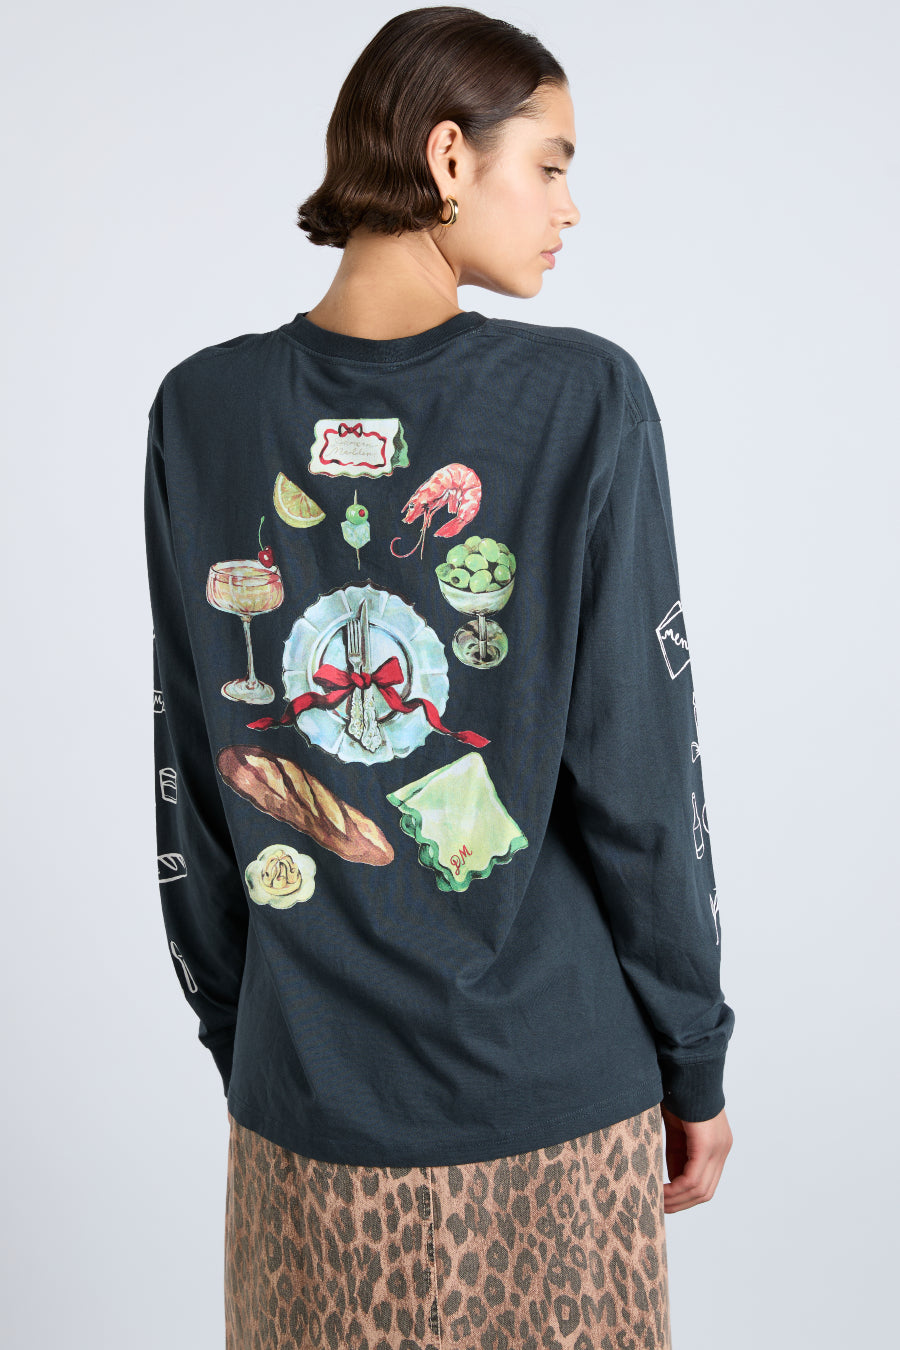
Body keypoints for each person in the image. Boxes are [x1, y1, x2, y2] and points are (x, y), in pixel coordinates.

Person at [144, 8, 735, 1347]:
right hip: (553, 1104)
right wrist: (693, 1052)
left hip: (305, 1109)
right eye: (554, 163)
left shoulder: (201, 410)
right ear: (451, 157)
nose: (571, 208)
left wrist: (254, 1033)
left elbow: (195, 765)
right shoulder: (584, 398)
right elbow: (642, 777)